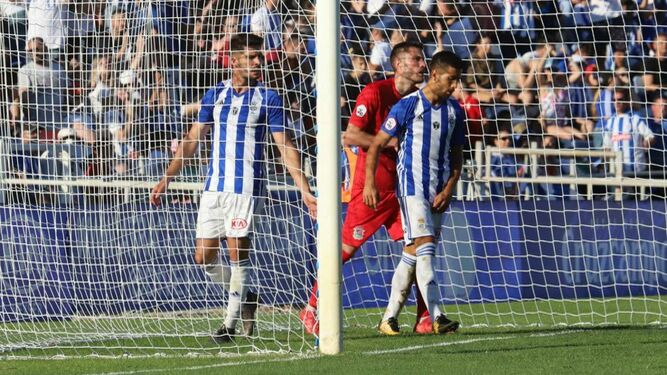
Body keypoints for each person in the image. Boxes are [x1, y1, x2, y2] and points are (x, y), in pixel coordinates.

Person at [150, 34, 317, 343]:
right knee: (204, 258)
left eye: (260, 56)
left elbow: (286, 146)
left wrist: (305, 189)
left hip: (246, 189)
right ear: (234, 60)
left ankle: (228, 324)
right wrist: (167, 177)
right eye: (252, 57)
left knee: (237, 254)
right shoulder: (215, 95)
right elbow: (191, 141)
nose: (259, 62)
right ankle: (246, 295)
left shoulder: (268, 98)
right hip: (213, 188)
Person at [299, 41, 433, 336]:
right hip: (371, 189)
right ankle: (311, 308)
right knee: (345, 250)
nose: (423, 65)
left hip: (403, 190)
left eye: (423, 60)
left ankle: (426, 316)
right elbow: (351, 135)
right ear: (398, 65)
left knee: (420, 249)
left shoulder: (419, 99)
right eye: (416, 60)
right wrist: (390, 143)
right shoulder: (375, 93)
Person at [363, 50, 465, 335]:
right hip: (412, 188)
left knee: (412, 252)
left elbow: (457, 156)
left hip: (438, 192)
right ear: (434, 75)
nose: (454, 85)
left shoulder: (455, 111)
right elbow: (376, 144)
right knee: (426, 247)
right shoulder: (409, 105)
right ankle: (437, 315)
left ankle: (388, 318)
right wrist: (369, 183)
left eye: (457, 80)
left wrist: (449, 187)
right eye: (451, 79)